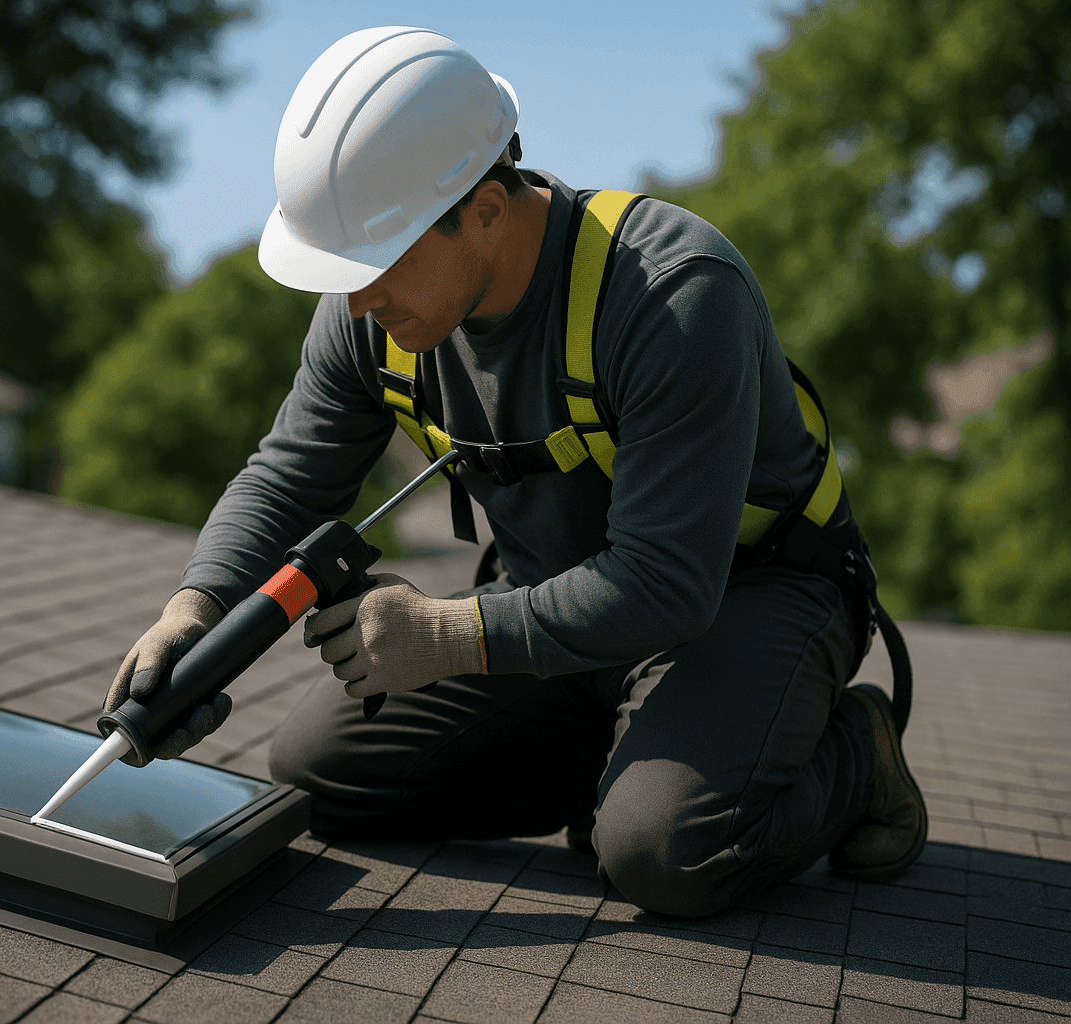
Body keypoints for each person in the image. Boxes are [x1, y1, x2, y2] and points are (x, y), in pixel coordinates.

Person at [102, 26, 926, 917]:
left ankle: (852, 747)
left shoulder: (672, 292)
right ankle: (633, 761)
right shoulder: (369, 311)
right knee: (323, 774)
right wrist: (195, 608)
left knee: (664, 852)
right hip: (563, 610)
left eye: (374, 264)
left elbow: (669, 583)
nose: (355, 301)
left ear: (486, 211)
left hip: (744, 600)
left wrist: (448, 637)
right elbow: (287, 478)